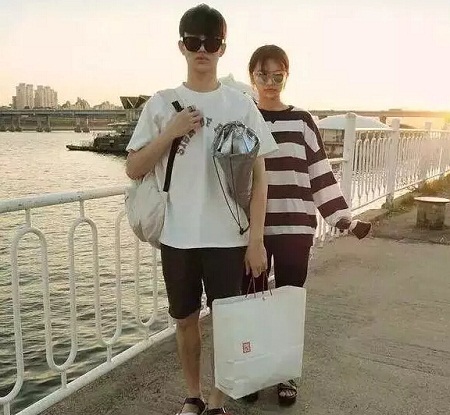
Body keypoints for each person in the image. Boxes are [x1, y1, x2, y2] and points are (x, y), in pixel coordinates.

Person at [125, 6, 278, 415]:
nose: (203, 50)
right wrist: (171, 132)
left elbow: (260, 178)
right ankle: (193, 395)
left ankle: (216, 400)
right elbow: (134, 168)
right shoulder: (161, 104)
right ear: (182, 46)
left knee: (228, 325)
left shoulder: (240, 105)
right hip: (177, 236)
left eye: (211, 42)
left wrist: (256, 240)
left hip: (229, 237)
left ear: (222, 48)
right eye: (194, 41)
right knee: (185, 320)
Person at [241, 45, 371, 407]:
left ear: (287, 76)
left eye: (277, 75)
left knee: (289, 302)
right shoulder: (243, 118)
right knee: (251, 302)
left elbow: (319, 172)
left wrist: (343, 218)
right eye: (262, 74)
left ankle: (285, 373)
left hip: (296, 228)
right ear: (252, 77)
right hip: (252, 232)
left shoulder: (302, 120)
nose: (270, 82)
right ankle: (254, 370)